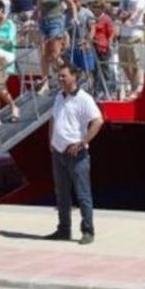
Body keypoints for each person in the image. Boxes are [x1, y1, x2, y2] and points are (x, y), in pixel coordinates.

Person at [44, 64, 104, 244]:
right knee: (61, 194)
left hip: (76, 154)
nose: (60, 79)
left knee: (83, 194)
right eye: (59, 76)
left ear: (74, 77)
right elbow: (53, 118)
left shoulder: (84, 98)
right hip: (58, 152)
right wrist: (51, 141)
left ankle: (88, 230)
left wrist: (83, 142)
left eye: (63, 76)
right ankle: (63, 229)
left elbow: (98, 121)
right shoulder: (59, 97)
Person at [36, 0, 75, 91]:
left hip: (56, 21)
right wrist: (34, 19)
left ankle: (67, 73)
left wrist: (74, 17)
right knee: (43, 54)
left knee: (54, 54)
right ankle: (45, 81)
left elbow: (71, 4)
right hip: (44, 22)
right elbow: (39, 8)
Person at [116, 0, 145, 99]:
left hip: (135, 33)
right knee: (123, 62)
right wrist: (119, 17)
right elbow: (119, 11)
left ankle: (136, 89)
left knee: (135, 62)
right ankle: (134, 86)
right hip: (124, 33)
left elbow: (137, 11)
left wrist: (130, 19)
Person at [89, 0, 118, 100]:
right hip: (94, 47)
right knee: (95, 71)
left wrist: (109, 44)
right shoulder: (92, 19)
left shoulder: (106, 19)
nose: (96, 9)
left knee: (105, 70)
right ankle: (97, 91)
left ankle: (108, 91)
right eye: (94, 7)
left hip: (103, 48)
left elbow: (111, 33)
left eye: (98, 7)